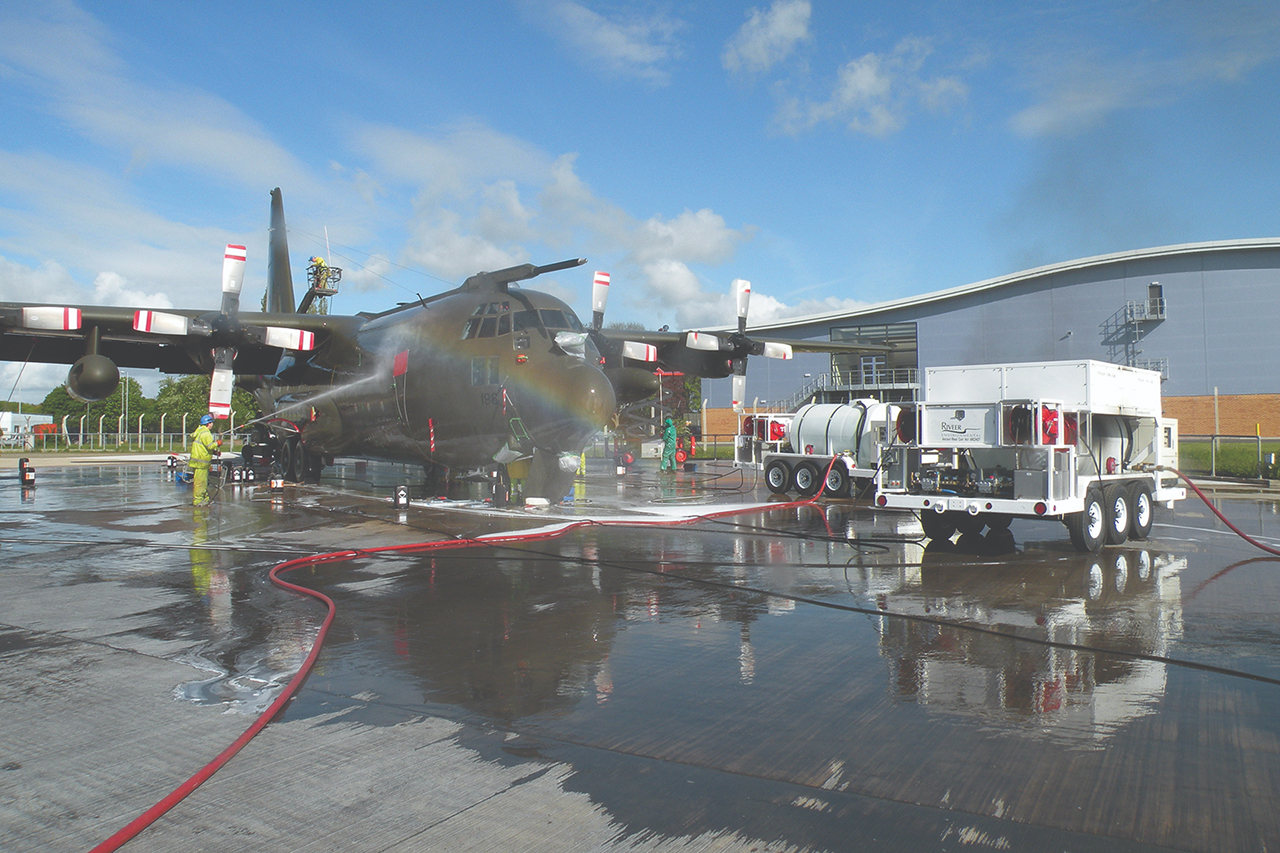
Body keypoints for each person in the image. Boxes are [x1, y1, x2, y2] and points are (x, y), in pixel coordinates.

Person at [190, 414, 222, 506]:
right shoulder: (206, 433)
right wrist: (217, 443)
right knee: (200, 484)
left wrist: (214, 452)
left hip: (196, 462)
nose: (212, 424)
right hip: (201, 463)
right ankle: (198, 501)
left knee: (202, 483)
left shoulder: (199, 431)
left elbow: (204, 447)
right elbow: (209, 445)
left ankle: (205, 499)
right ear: (208, 423)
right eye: (211, 423)